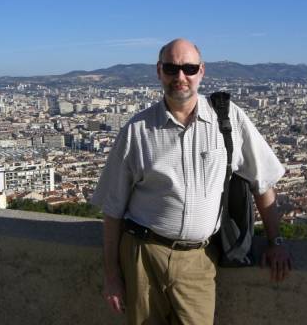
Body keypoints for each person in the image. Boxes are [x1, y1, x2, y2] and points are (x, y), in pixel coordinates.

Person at [92, 38, 291, 325]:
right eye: (171, 68)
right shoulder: (137, 131)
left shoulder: (228, 119)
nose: (180, 76)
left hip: (198, 260)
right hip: (142, 257)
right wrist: (112, 276)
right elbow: (112, 210)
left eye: (189, 68)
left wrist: (276, 241)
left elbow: (262, 182)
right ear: (159, 71)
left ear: (202, 71)